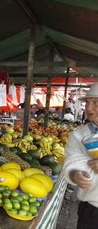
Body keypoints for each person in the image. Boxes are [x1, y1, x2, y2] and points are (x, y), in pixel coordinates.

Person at [63, 83, 98, 229]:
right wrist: (74, 174)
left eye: (96, 102)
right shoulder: (79, 135)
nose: (88, 108)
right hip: (93, 211)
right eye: (87, 102)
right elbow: (72, 161)